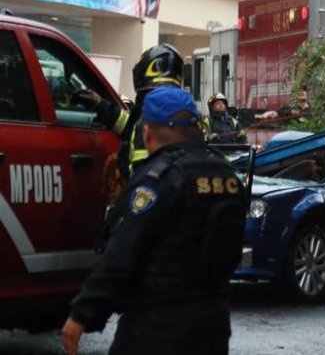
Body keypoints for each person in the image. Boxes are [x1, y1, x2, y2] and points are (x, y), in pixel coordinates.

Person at [61, 86, 247, 355]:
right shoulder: (227, 175)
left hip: (156, 327)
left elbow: (121, 253)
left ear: (147, 132)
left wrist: (83, 314)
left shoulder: (159, 180)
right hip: (214, 326)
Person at [78, 44, 183, 178]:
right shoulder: (183, 111)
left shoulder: (152, 113)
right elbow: (129, 126)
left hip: (149, 191)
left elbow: (143, 170)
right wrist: (100, 105)